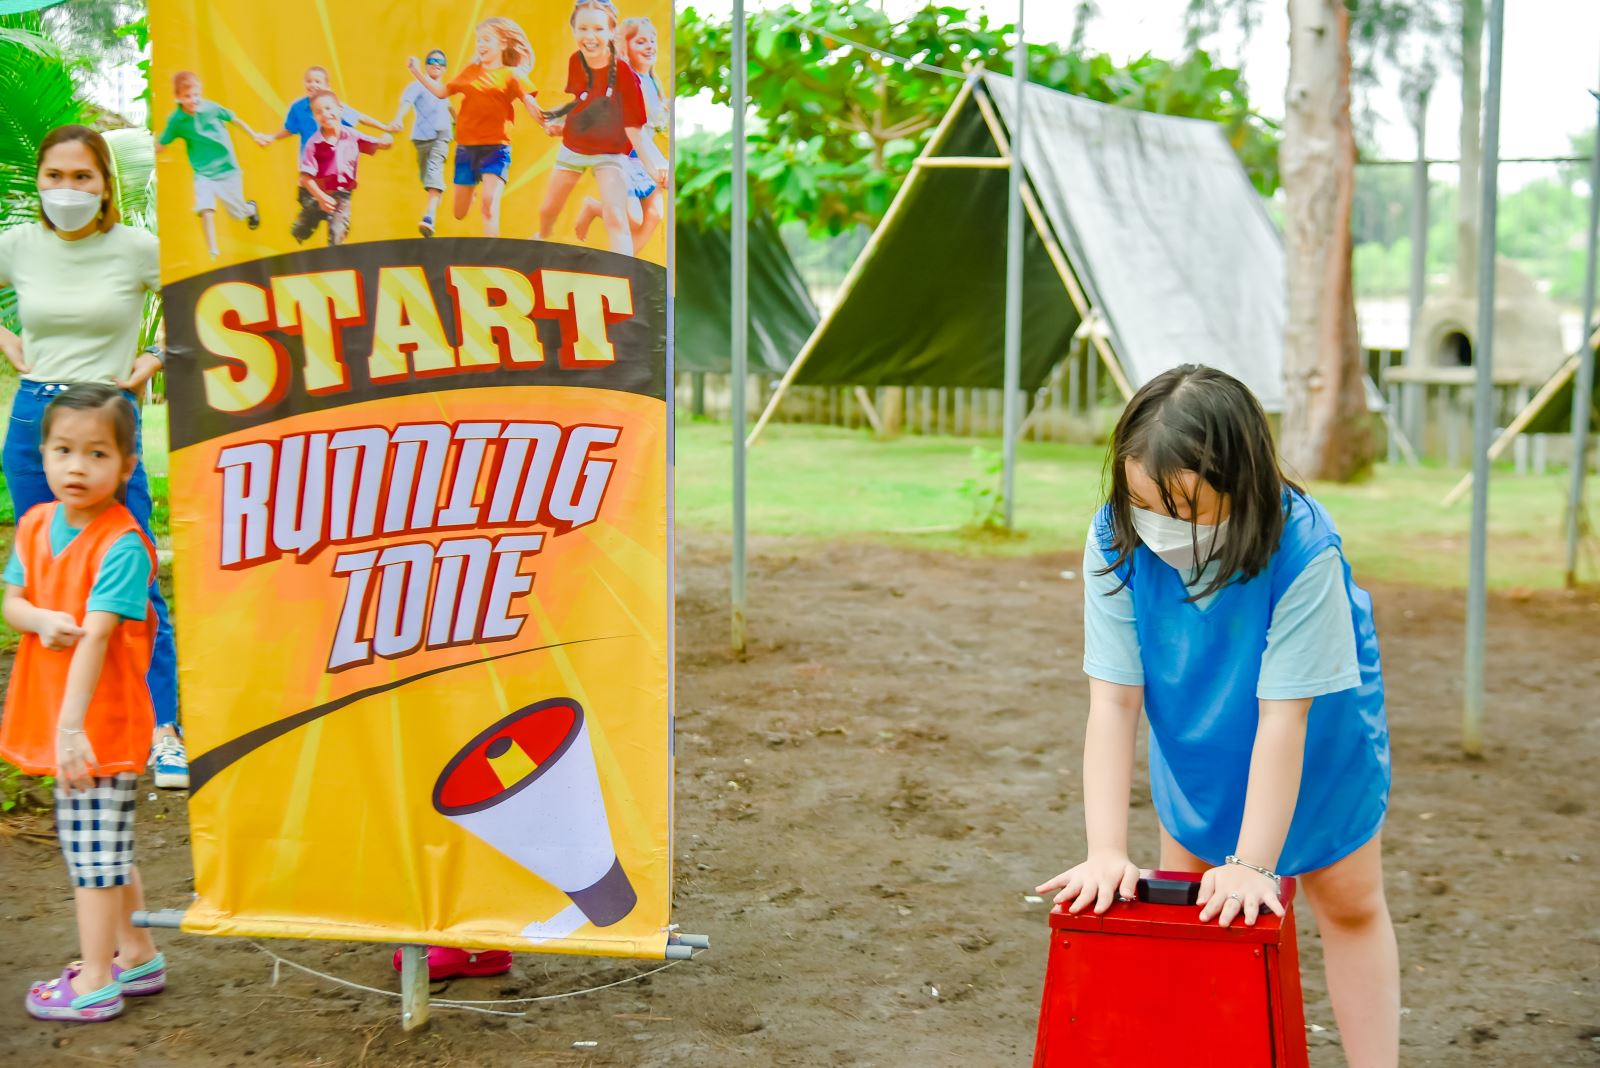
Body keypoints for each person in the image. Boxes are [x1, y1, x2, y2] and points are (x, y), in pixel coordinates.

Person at [1036, 365, 1398, 1067]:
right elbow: (1113, 701)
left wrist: (1255, 863)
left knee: (1349, 902)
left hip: (1315, 747)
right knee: (1197, 912)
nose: (1161, 527)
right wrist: (1106, 850)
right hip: (1195, 738)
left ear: (1243, 485)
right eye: (1143, 502)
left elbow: (1285, 721)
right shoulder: (1115, 538)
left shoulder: (1304, 550)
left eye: (1187, 508)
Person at [0, 125, 187, 790]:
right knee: (47, 579)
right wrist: (6, 341)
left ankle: (162, 730)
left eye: (82, 176)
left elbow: (195, 295)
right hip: (36, 425)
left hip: (108, 419)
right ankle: (63, 728)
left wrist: (155, 356)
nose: (68, 189)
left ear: (106, 184)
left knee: (132, 578)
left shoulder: (134, 248)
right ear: (39, 183)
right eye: (55, 176)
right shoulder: (19, 245)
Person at [0, 385, 166, 1022]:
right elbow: (13, 601)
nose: (77, 466)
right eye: (63, 450)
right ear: (41, 453)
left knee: (92, 856)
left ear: (126, 466)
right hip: (66, 719)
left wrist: (71, 729)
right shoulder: (35, 524)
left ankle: (96, 980)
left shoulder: (122, 544)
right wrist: (40, 618)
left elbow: (97, 636)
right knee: (103, 845)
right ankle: (137, 954)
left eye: (97, 453)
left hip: (99, 725)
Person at [537, 0, 665, 257]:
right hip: (574, 148)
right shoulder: (576, 61)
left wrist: (656, 167)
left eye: (598, 29)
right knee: (548, 209)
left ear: (610, 32)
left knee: (620, 217)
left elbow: (635, 129)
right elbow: (582, 102)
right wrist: (559, 124)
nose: (590, 36)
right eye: (583, 28)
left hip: (610, 153)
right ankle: (540, 237)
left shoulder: (626, 74)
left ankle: (621, 269)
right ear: (574, 30)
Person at [405, 17, 543, 239]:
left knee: (489, 205)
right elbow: (441, 92)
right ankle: (474, 189)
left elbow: (529, 101)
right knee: (459, 212)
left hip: (496, 148)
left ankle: (492, 252)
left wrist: (546, 122)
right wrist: (416, 72)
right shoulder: (470, 71)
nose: (481, 45)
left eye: (487, 39)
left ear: (503, 43)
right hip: (467, 149)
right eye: (479, 40)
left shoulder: (511, 75)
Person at [573, 17, 668, 253]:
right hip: (622, 155)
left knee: (655, 214)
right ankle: (593, 207)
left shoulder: (653, 81)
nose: (649, 46)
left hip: (642, 156)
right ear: (626, 47)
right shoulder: (627, 80)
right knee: (633, 218)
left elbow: (653, 123)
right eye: (641, 42)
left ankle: (624, 265)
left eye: (652, 41)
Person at [155, 71, 271, 259]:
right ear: (178, 97)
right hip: (203, 173)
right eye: (187, 96)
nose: (193, 100)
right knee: (205, 208)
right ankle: (213, 250)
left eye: (196, 95)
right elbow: (162, 144)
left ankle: (250, 208)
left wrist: (254, 135)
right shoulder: (176, 121)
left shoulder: (211, 108)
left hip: (227, 169)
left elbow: (234, 120)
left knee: (238, 214)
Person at [293, 90, 393, 247]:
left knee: (337, 231)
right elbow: (305, 177)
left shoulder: (353, 136)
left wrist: (384, 142)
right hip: (318, 194)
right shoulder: (314, 144)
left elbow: (376, 144)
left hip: (343, 195)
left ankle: (335, 248)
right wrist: (320, 197)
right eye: (319, 112)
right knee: (303, 226)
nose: (325, 114)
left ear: (340, 109)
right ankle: (300, 231)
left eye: (328, 108)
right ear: (315, 117)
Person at [391, 48, 456, 238]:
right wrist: (398, 118)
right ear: (426, 65)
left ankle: (429, 217)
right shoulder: (417, 85)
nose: (437, 64)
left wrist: (460, 125)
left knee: (435, 172)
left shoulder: (444, 90)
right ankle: (433, 206)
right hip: (421, 138)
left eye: (441, 62)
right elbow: (407, 102)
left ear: (445, 68)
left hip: (441, 136)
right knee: (427, 178)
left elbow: (451, 109)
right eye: (432, 61)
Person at [271, 65, 392, 152]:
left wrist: (384, 127)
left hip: (335, 165)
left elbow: (360, 118)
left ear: (327, 86)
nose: (313, 84)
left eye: (317, 81)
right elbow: (289, 129)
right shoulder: (298, 107)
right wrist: (271, 137)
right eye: (309, 81)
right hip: (311, 166)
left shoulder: (334, 106)